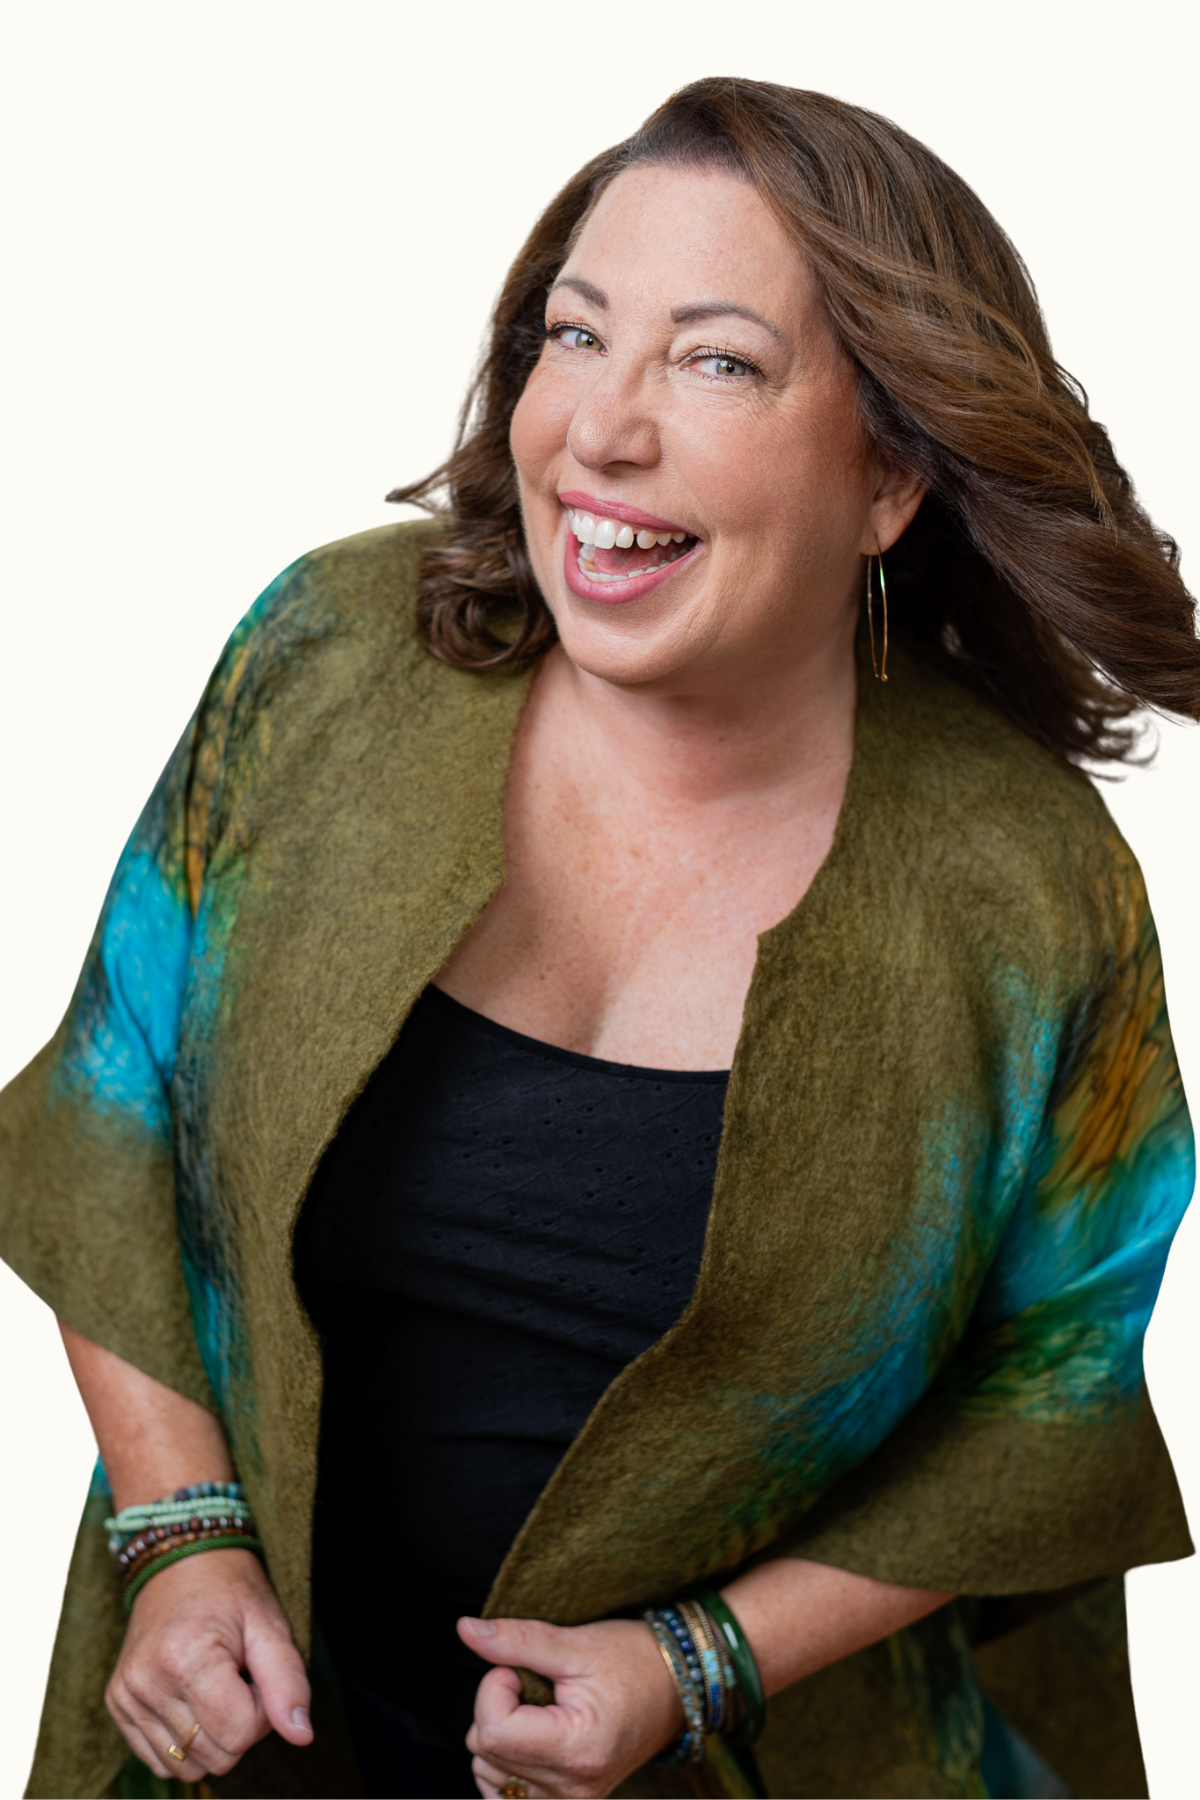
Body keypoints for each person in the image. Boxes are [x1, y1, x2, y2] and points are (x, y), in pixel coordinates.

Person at [1, 75, 1196, 1800]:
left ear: (888, 478)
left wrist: (701, 1665)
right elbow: (114, 1114)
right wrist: (180, 1541)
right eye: (577, 336)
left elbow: (1049, 1392)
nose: (600, 434)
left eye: (716, 362)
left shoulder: (1026, 884)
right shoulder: (334, 658)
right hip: (251, 1748)